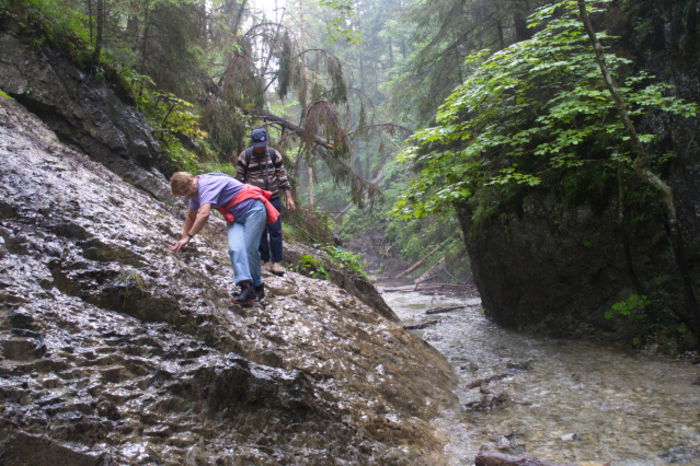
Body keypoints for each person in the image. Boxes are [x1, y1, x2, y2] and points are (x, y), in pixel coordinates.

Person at [170, 172, 279, 304]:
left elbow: (204, 214)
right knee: (235, 248)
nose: (187, 195)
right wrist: (183, 239)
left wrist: (189, 236)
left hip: (253, 209)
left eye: (186, 191)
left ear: (191, 181)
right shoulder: (195, 193)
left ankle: (257, 285)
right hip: (235, 218)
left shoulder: (206, 185)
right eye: (184, 194)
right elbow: (191, 216)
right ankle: (246, 287)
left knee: (249, 248)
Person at [235, 128, 296, 276]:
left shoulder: (274, 155)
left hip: (273, 197)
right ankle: (266, 260)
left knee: (275, 229)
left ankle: (277, 262)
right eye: (258, 145)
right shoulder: (245, 157)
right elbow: (239, 180)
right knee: (259, 230)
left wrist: (288, 197)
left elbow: (282, 177)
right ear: (253, 143)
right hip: (254, 200)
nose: (261, 148)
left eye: (263, 144)